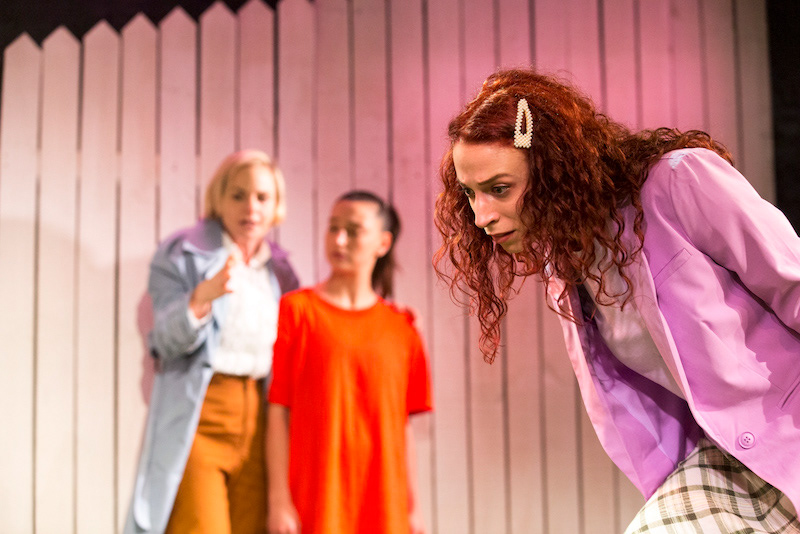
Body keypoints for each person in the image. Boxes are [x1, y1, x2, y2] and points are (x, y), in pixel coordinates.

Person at [434, 68, 800, 532]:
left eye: (499, 189)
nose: (481, 215)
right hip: (729, 455)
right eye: (470, 193)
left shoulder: (678, 182)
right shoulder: (566, 264)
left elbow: (791, 279)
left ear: (551, 169)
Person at [124, 149, 300, 534]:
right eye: (238, 195)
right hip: (201, 418)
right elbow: (162, 342)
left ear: (277, 206)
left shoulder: (281, 272)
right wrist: (200, 299)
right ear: (218, 199)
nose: (250, 207)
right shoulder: (183, 254)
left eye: (262, 197)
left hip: (260, 424)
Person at [266, 190, 432, 534]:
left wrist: (413, 508)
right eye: (333, 227)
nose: (339, 240)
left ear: (382, 243)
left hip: (385, 509)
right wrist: (279, 499)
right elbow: (278, 411)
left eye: (353, 231)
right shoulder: (297, 312)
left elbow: (403, 428)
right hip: (315, 504)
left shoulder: (402, 328)